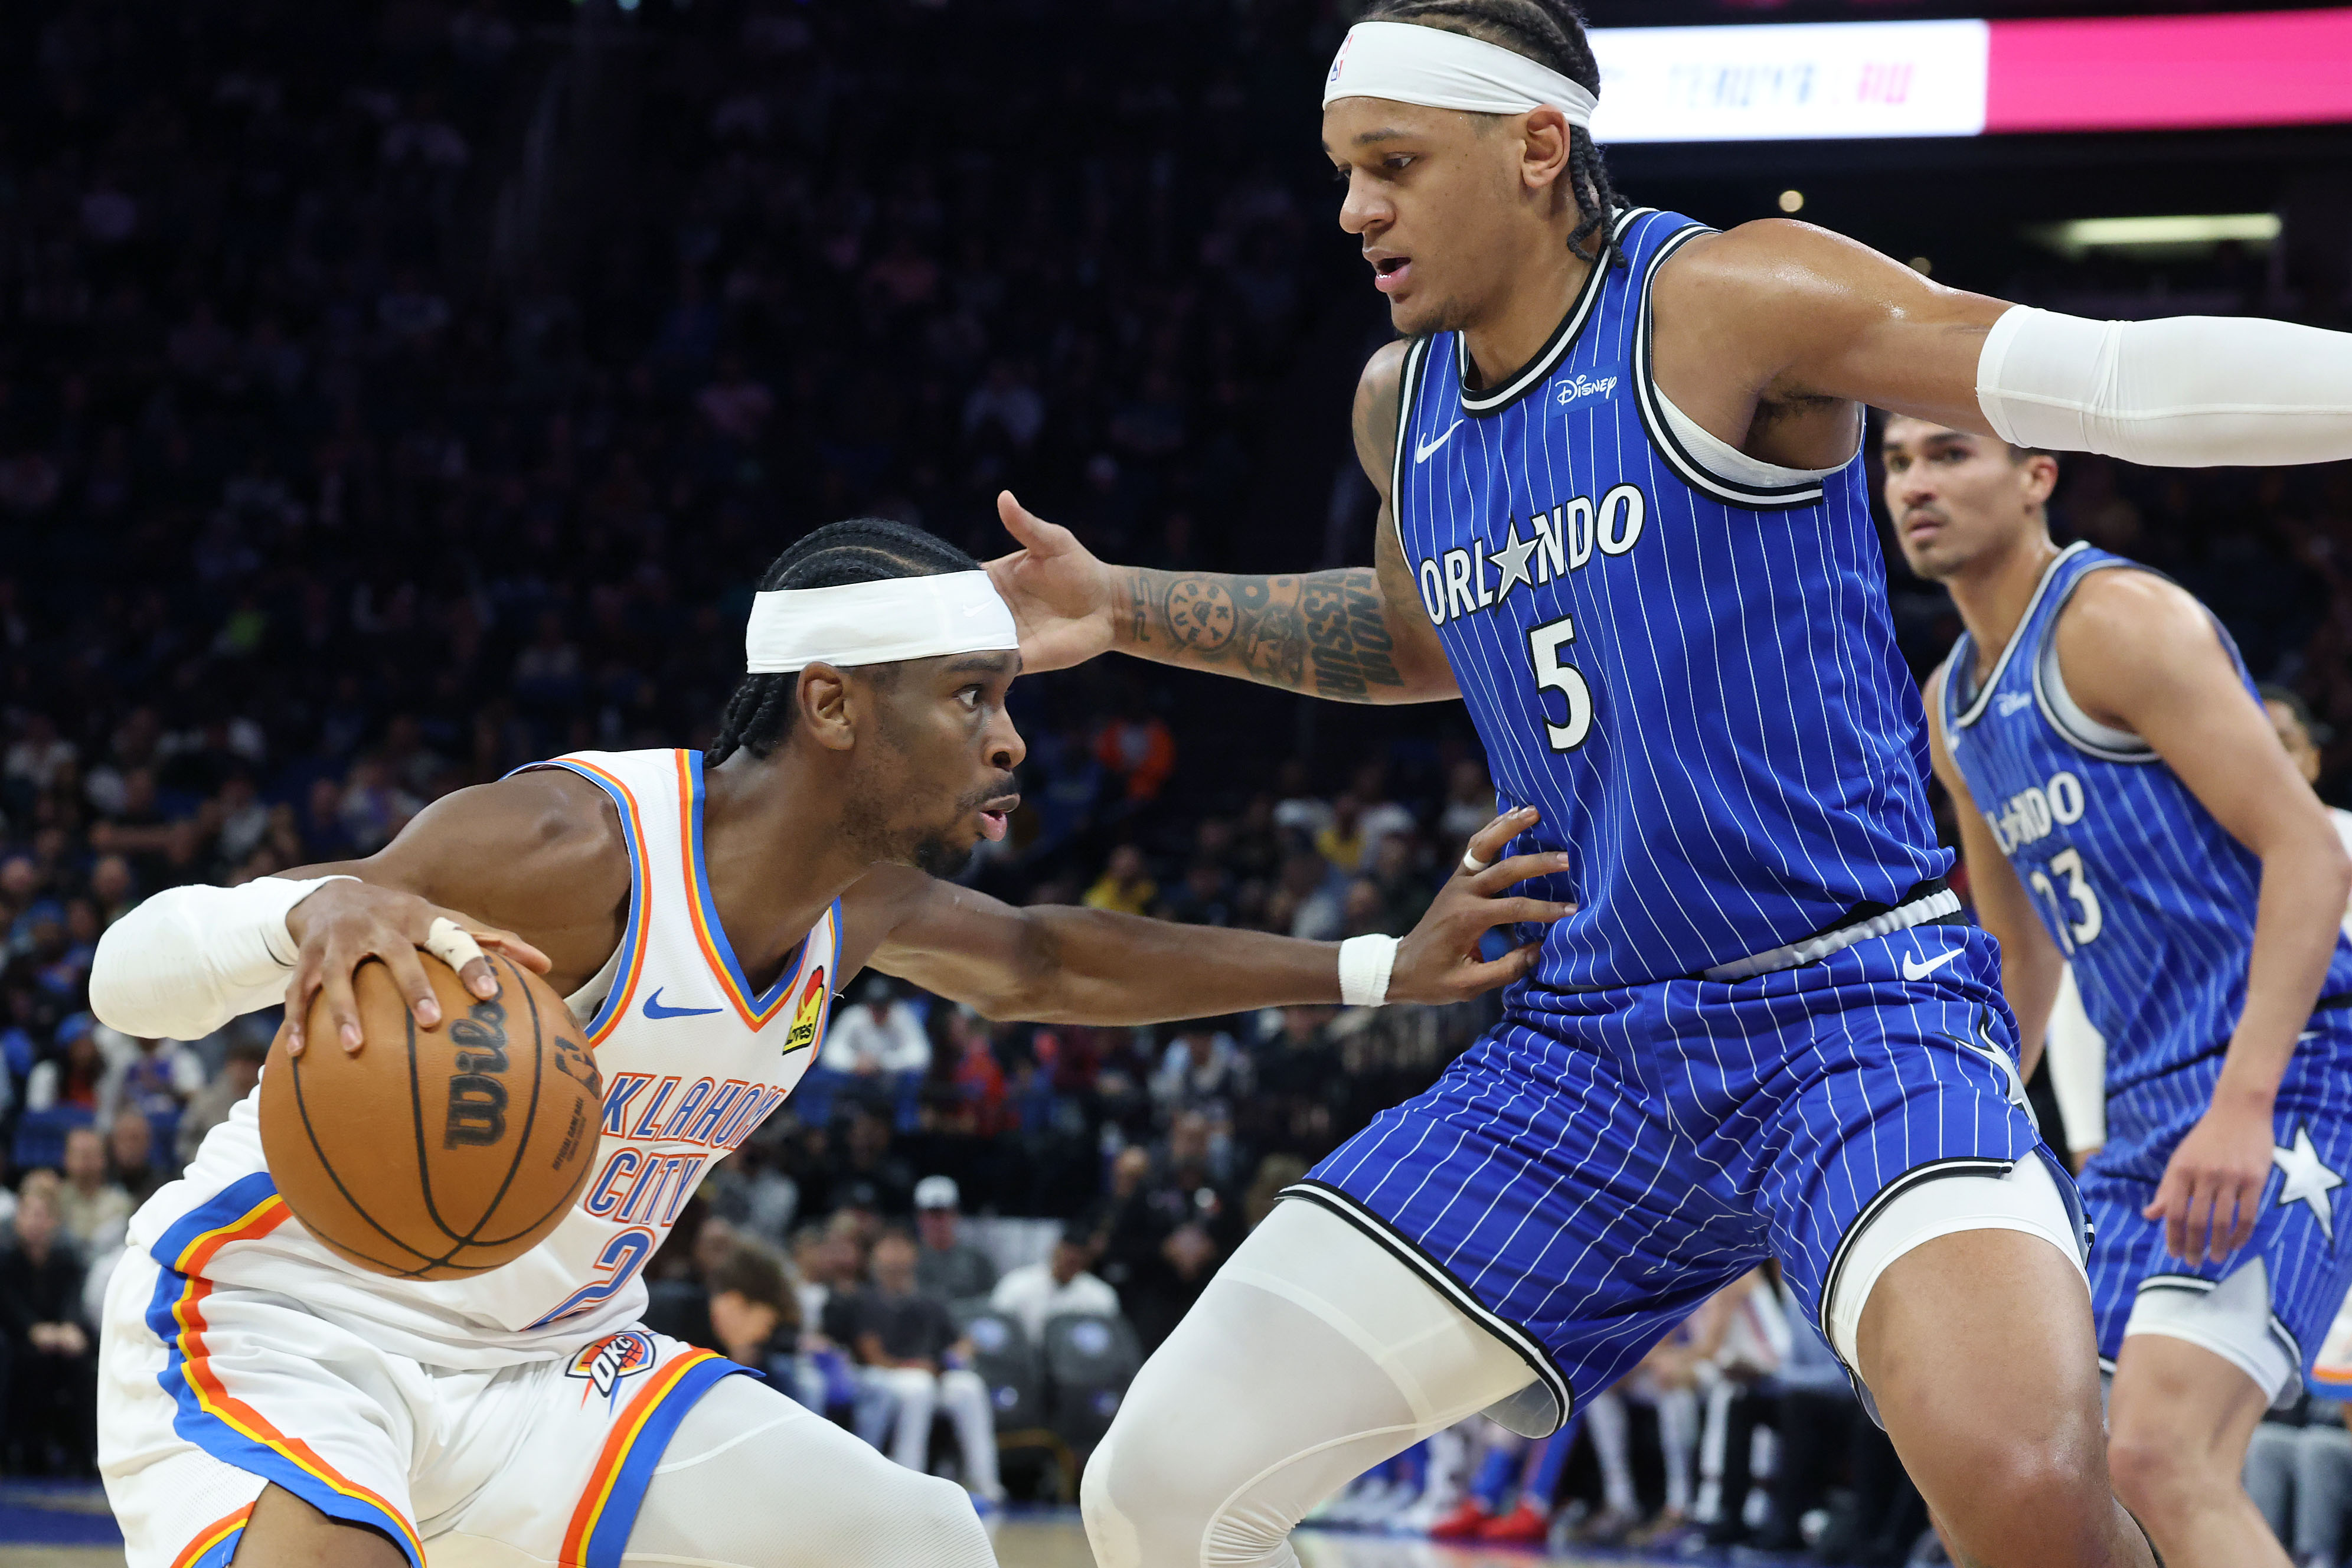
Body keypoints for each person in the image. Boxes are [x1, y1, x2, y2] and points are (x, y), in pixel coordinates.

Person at [983, 4, 2352, 1563]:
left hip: (1850, 1010)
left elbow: (2102, 377)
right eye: (1344, 168)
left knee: (2034, 1487)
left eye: (1393, 164)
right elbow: (1419, 638)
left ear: (1535, 147)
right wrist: (1126, 605)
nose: (1353, 208)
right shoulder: (1399, 403)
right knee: (1158, 1483)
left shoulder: (1725, 298)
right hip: (1585, 1052)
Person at [84, 518, 1555, 1568]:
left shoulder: (861, 906)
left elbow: (1047, 958)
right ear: (834, 703)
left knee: (916, 1539)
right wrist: (310, 910)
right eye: (971, 696)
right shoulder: (571, 846)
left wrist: (1382, 966)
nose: (1011, 740)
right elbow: (123, 978)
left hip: (555, 1365)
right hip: (292, 1325)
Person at [1893, 413, 2352, 1568]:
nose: (1913, 485)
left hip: (2286, 1075)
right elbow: (2018, 953)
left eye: (1948, 454)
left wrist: (2243, 1104)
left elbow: (2311, 853)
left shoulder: (2117, 622)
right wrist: (1959, 1149)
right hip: (2146, 1114)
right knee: (2038, 1479)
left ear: (2035, 476)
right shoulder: (1953, 706)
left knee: (2160, 1458)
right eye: (1894, 462)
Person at [832, 1230, 1001, 1504]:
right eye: (890, 1247)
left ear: (914, 1254)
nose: (897, 1256)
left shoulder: (930, 1298)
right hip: (886, 1375)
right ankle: (910, 1483)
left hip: (934, 1373)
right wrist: (915, 1367)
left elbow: (959, 1342)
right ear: (875, 1255)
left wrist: (961, 1352)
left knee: (970, 1387)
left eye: (903, 1247)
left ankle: (986, 1484)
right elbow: (872, 1355)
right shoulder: (865, 1298)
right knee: (918, 1388)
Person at [1, 1172, 97, 1475]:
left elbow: (73, 1300)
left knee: (81, 1356)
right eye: (28, 1214)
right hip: (15, 1336)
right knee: (25, 1358)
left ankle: (89, 1452)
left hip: (55, 1335)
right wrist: (32, 1329)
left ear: (55, 1221)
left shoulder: (67, 1257)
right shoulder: (5, 1256)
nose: (35, 1222)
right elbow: (7, 1304)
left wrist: (69, 1326)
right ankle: (20, 1449)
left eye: (42, 1215)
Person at [989, 1224, 1120, 1344]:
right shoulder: (1017, 1283)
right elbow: (995, 1326)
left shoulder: (1100, 1294)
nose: (1069, 1262)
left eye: (1076, 1260)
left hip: (1073, 1358)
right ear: (1055, 1250)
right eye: (1067, 1255)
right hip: (1025, 1353)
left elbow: (1107, 1341)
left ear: (1087, 1260)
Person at [912, 1176, 997, 1307]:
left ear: (956, 1214)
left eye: (944, 1214)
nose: (938, 1222)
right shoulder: (908, 1260)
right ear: (920, 1217)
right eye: (932, 1215)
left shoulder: (977, 1261)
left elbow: (993, 1302)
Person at [55, 1125, 133, 1257]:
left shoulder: (120, 1203)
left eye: (91, 1154)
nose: (84, 1161)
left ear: (104, 1159)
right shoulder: (54, 1198)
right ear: (65, 1158)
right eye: (78, 1154)